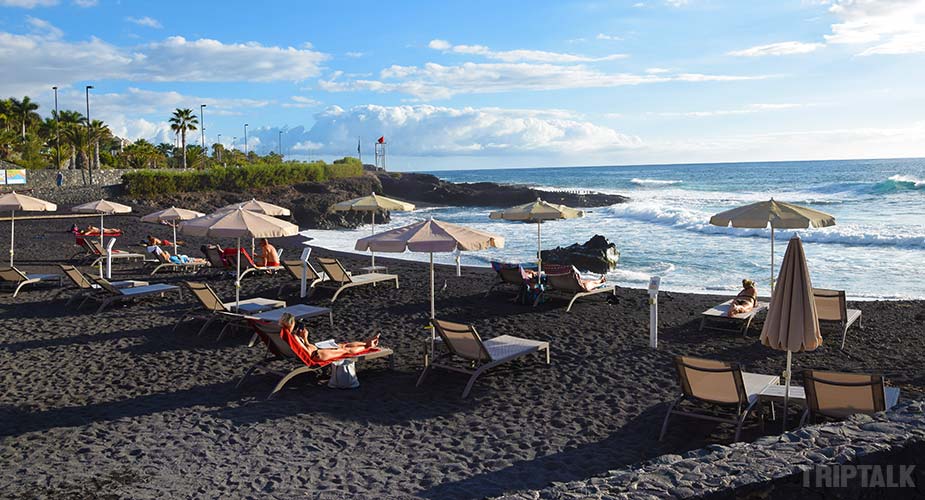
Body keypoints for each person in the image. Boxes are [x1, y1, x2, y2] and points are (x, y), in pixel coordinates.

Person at [278, 313, 379, 365]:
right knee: (345, 350)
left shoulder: (285, 335)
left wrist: (304, 341)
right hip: (318, 354)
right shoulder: (293, 337)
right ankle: (367, 346)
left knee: (343, 345)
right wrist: (305, 339)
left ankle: (366, 343)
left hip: (317, 350)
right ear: (291, 324)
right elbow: (307, 353)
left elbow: (302, 350)